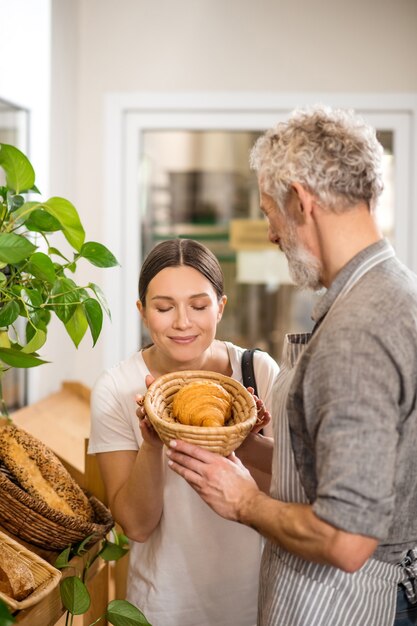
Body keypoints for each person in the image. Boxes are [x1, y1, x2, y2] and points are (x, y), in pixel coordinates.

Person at [166, 107, 417, 626]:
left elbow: (347, 539)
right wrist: (241, 446)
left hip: (350, 603)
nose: (270, 235)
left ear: (301, 201)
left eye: (268, 213)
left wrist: (243, 503)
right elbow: (344, 469)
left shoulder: (358, 330)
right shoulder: (393, 291)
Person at [88, 238, 279, 626]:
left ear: (220, 307)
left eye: (199, 305)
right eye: (163, 307)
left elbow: (286, 493)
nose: (182, 322)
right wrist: (151, 443)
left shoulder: (256, 373)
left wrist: (245, 441)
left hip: (256, 604)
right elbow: (137, 527)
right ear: (142, 312)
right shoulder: (117, 388)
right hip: (161, 607)